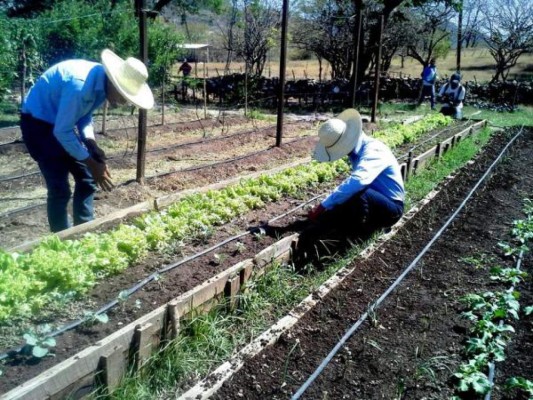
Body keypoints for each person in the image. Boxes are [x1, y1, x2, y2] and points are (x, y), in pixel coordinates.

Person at [20, 49, 154, 232]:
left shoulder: (101, 85)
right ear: (114, 83)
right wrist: (91, 163)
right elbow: (63, 131)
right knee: (60, 188)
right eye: (123, 96)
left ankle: (84, 231)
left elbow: (84, 116)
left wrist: (91, 143)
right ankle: (62, 240)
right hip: (38, 125)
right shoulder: (80, 86)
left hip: (60, 124)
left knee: (87, 179)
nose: (124, 102)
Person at [307, 109, 405, 237]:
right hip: (377, 200)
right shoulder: (357, 151)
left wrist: (323, 206)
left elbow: (359, 180)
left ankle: (354, 236)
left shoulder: (373, 150)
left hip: (392, 210)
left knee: (358, 195)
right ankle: (350, 228)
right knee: (344, 199)